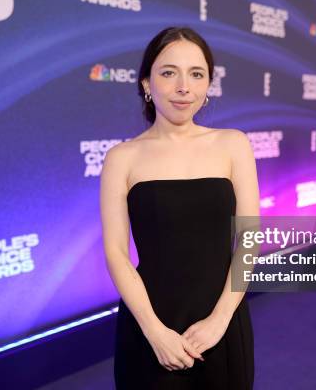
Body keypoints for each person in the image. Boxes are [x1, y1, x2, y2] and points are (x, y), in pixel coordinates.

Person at [100, 26, 259, 389]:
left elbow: (249, 239)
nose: (183, 86)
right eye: (169, 72)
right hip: (151, 326)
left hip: (223, 320)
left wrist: (220, 320)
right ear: (146, 83)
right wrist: (155, 332)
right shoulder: (121, 158)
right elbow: (116, 254)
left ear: (208, 87)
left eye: (196, 74)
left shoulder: (233, 144)